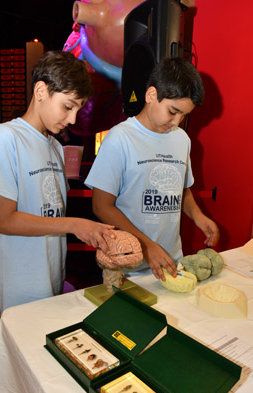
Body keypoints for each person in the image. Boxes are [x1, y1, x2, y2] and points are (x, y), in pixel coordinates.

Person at [0, 50, 114, 312]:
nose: (72, 119)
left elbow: (50, 211)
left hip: (53, 276)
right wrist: (75, 224)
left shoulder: (55, 146)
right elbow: (4, 220)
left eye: (77, 109)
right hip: (21, 284)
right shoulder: (6, 137)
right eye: (68, 106)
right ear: (41, 91)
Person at [85, 57, 219, 281]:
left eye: (184, 115)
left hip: (171, 262)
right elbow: (101, 206)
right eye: (172, 111)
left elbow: (181, 190)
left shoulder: (181, 140)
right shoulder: (119, 138)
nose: (177, 121)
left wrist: (198, 216)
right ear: (151, 95)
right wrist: (146, 246)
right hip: (128, 267)